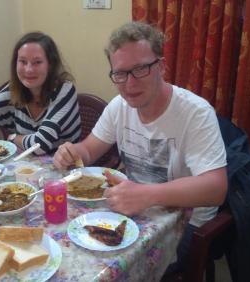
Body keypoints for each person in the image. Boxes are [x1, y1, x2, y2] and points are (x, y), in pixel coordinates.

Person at [53, 22, 227, 275]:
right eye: (120, 73)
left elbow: (216, 188)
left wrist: (147, 194)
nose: (129, 83)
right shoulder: (118, 107)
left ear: (162, 66)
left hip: (184, 224)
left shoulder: (195, 113)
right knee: (71, 252)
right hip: (131, 210)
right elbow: (88, 151)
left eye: (141, 69)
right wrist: (71, 153)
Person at [0, 32, 81, 158]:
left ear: (50, 65)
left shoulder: (65, 90)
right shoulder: (12, 90)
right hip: (26, 170)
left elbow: (39, 145)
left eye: (37, 62)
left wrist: (13, 138)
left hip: (65, 171)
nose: (28, 69)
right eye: (23, 62)